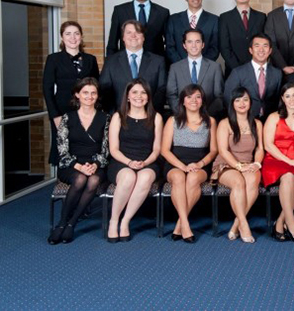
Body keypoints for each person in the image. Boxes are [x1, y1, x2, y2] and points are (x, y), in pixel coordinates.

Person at [48, 77, 109, 245]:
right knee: (81, 178)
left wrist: (95, 164)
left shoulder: (105, 118)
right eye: (85, 93)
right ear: (77, 95)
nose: (89, 96)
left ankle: (71, 223)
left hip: (96, 163)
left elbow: (106, 149)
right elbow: (61, 149)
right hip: (71, 164)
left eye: (93, 93)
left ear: (97, 96)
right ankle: (61, 223)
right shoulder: (67, 118)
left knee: (94, 179)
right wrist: (78, 166)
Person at [106, 79, 163, 242]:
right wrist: (129, 162)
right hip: (121, 161)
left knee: (144, 177)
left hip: (148, 161)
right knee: (129, 177)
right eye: (135, 92)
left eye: (143, 92)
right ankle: (114, 220)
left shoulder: (156, 117)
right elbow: (113, 149)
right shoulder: (118, 116)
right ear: (128, 97)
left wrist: (145, 163)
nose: (139, 96)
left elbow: (156, 149)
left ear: (148, 97)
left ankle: (125, 221)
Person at [161, 85, 218, 243]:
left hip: (200, 162)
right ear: (183, 101)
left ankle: (180, 223)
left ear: (202, 101)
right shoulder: (173, 120)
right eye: (189, 97)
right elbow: (164, 150)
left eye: (198, 97)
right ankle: (185, 224)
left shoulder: (210, 121)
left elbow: (214, 150)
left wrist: (200, 163)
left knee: (193, 179)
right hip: (175, 162)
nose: (194, 100)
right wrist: (183, 166)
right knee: (179, 178)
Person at [261, 83, 294, 242]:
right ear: (282, 98)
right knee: (288, 175)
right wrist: (289, 161)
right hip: (275, 159)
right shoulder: (273, 117)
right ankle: (292, 225)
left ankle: (280, 221)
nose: (291, 100)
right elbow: (268, 145)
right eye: (288, 96)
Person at [43, 21, 99, 166]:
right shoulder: (53, 59)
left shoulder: (90, 59)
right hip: (62, 110)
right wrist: (55, 116)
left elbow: (96, 87)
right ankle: (65, 183)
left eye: (76, 33)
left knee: (85, 144)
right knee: (64, 147)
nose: (72, 37)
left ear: (81, 36)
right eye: (68, 34)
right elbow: (47, 89)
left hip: (86, 109)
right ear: (62, 37)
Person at [213, 87, 264, 243]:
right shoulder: (225, 123)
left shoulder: (257, 123)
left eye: (245, 99)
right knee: (238, 182)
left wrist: (256, 163)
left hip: (249, 163)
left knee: (253, 182)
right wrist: (238, 166)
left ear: (250, 102)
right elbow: (222, 150)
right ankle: (244, 224)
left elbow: (260, 148)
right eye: (238, 100)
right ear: (232, 103)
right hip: (226, 164)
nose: (242, 103)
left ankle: (236, 224)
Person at [100, 20, 167, 114]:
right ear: (123, 37)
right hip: (119, 117)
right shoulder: (111, 61)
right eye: (129, 32)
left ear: (143, 37)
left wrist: (150, 112)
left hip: (149, 117)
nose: (133, 36)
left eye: (137, 32)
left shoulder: (158, 61)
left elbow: (162, 90)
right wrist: (114, 114)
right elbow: (104, 90)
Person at [106, 0, 170, 57]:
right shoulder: (119, 11)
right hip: (126, 62)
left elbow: (169, 42)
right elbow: (112, 43)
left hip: (154, 63)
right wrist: (111, 64)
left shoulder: (162, 12)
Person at [223, 33, 282, 121]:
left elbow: (277, 100)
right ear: (251, 50)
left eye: (265, 46)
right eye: (257, 46)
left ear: (270, 51)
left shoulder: (277, 73)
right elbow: (228, 98)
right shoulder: (238, 72)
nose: (261, 50)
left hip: (270, 121)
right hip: (245, 121)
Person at [166, 29, 224, 117]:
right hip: (182, 118)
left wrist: (205, 115)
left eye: (197, 41)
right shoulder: (175, 68)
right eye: (189, 42)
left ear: (203, 44)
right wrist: (183, 114)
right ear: (184, 45)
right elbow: (171, 95)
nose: (194, 45)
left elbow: (219, 97)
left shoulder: (215, 67)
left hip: (208, 118)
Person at [219, 0, 267, 77]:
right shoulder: (225, 18)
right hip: (233, 70)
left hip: (257, 69)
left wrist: (255, 65)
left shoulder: (261, 17)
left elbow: (265, 44)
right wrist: (238, 69)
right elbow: (224, 47)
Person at [165, 0, 219, 65]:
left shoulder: (214, 20)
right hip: (179, 70)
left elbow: (215, 48)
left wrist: (200, 66)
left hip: (204, 70)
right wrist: (183, 66)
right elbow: (170, 47)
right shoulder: (173, 19)